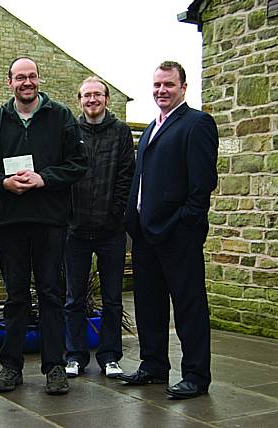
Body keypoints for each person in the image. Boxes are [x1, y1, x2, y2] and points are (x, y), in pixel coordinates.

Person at [0, 57, 86, 395]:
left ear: (39, 79)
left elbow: (78, 164)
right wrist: (4, 183)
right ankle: (11, 366)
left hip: (50, 220)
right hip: (10, 220)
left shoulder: (61, 117)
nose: (27, 82)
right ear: (9, 82)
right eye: (20, 77)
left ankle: (54, 367)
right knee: (15, 296)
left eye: (32, 76)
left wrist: (44, 178)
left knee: (52, 293)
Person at [120, 61, 218, 400]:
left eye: (169, 85)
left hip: (179, 236)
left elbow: (202, 185)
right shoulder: (151, 127)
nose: (162, 90)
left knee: (189, 306)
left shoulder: (197, 124)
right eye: (158, 85)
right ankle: (154, 366)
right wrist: (132, 219)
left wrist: (184, 224)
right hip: (145, 235)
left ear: (184, 88)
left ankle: (195, 376)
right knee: (149, 304)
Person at [64, 77, 135, 379]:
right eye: (86, 95)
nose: (92, 100)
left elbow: (126, 176)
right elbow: (63, 175)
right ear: (79, 100)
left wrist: (114, 214)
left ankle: (109, 356)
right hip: (75, 230)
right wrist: (69, 217)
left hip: (111, 231)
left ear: (107, 99)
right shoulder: (69, 131)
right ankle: (75, 356)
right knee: (73, 298)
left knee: (113, 298)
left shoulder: (120, 132)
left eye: (98, 94)